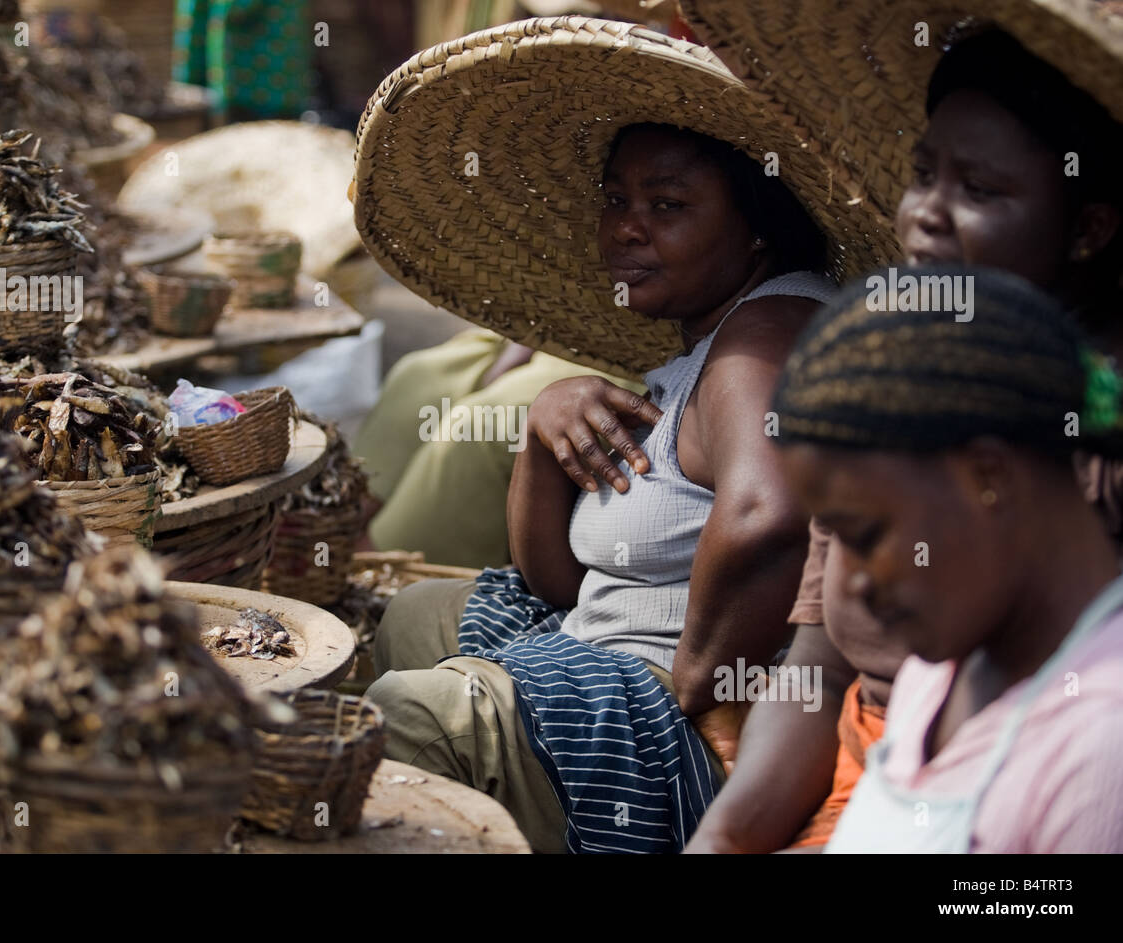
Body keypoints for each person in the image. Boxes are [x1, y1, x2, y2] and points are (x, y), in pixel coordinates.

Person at [350, 18, 892, 852]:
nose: (626, 227)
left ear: (757, 227)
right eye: (616, 200)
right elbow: (559, 581)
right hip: (603, 642)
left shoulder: (765, 332)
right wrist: (541, 432)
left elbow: (771, 512)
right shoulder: (707, 341)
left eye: (667, 205)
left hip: (670, 714)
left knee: (399, 719)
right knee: (418, 613)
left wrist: (697, 684)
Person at [687, 25, 1123, 853]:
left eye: (979, 190)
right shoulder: (888, 391)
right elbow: (816, 667)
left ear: (1089, 226)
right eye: (923, 175)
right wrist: (727, 839)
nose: (925, 212)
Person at [767, 264, 1123, 853]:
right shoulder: (939, 670)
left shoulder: (1099, 740)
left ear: (988, 477)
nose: (849, 583)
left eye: (866, 534)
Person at [354, 332, 644, 569]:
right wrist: (524, 344)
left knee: (476, 428)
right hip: (565, 330)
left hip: (638, 358)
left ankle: (383, 570)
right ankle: (343, 526)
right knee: (417, 377)